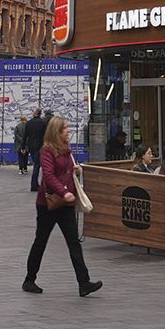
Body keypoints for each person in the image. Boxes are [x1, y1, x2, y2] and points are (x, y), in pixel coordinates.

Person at [23, 115, 101, 297]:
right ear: (57, 132)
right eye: (65, 128)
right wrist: (64, 192)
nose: (68, 131)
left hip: (65, 204)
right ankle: (29, 279)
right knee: (40, 241)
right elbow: (48, 177)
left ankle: (84, 283)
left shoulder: (66, 150)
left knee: (74, 241)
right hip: (48, 204)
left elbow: (64, 172)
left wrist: (75, 171)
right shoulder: (47, 151)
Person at [23, 107, 47, 191]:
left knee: (36, 164)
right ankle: (34, 184)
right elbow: (45, 136)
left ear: (35, 113)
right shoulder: (42, 123)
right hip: (39, 146)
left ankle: (35, 184)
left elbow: (25, 136)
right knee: (37, 165)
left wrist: (23, 147)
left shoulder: (29, 123)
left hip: (31, 146)